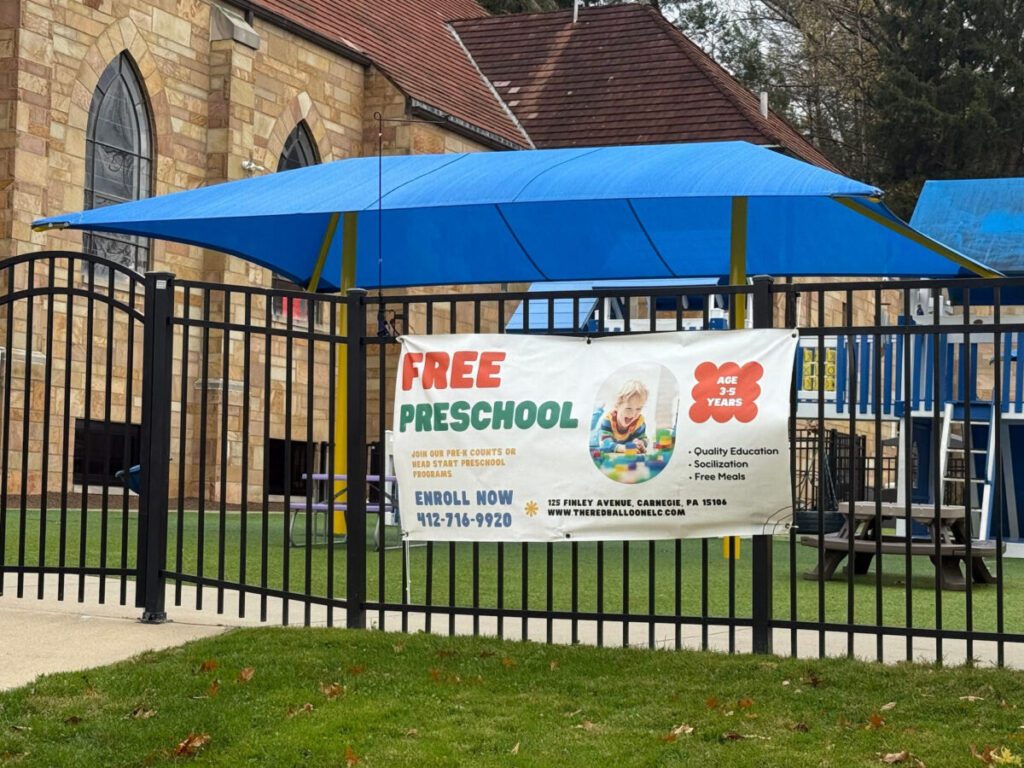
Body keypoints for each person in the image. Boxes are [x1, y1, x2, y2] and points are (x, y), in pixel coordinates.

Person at [597, 379, 650, 453]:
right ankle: (598, 409)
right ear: (617, 405)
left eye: (638, 409)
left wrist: (641, 443)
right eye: (628, 408)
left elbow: (644, 438)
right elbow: (604, 443)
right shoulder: (608, 420)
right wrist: (622, 448)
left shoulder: (639, 423)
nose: (633, 414)